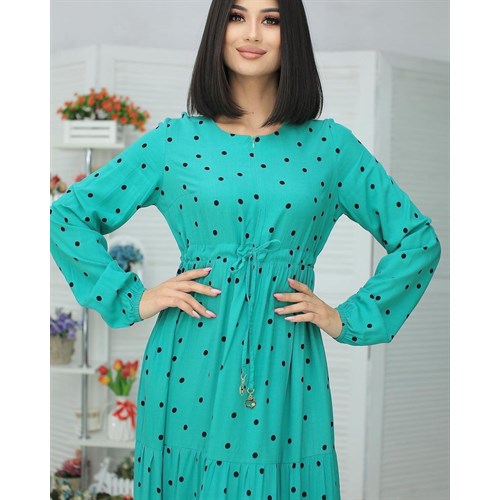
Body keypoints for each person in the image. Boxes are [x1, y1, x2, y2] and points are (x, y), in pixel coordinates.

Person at [50, 0, 441, 498]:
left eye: (270, 19)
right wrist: (135, 298)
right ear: (218, 29)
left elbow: (417, 239)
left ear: (290, 34)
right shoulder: (175, 142)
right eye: (237, 16)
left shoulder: (331, 148)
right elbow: (68, 216)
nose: (252, 32)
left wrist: (348, 318)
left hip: (286, 368)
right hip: (186, 367)